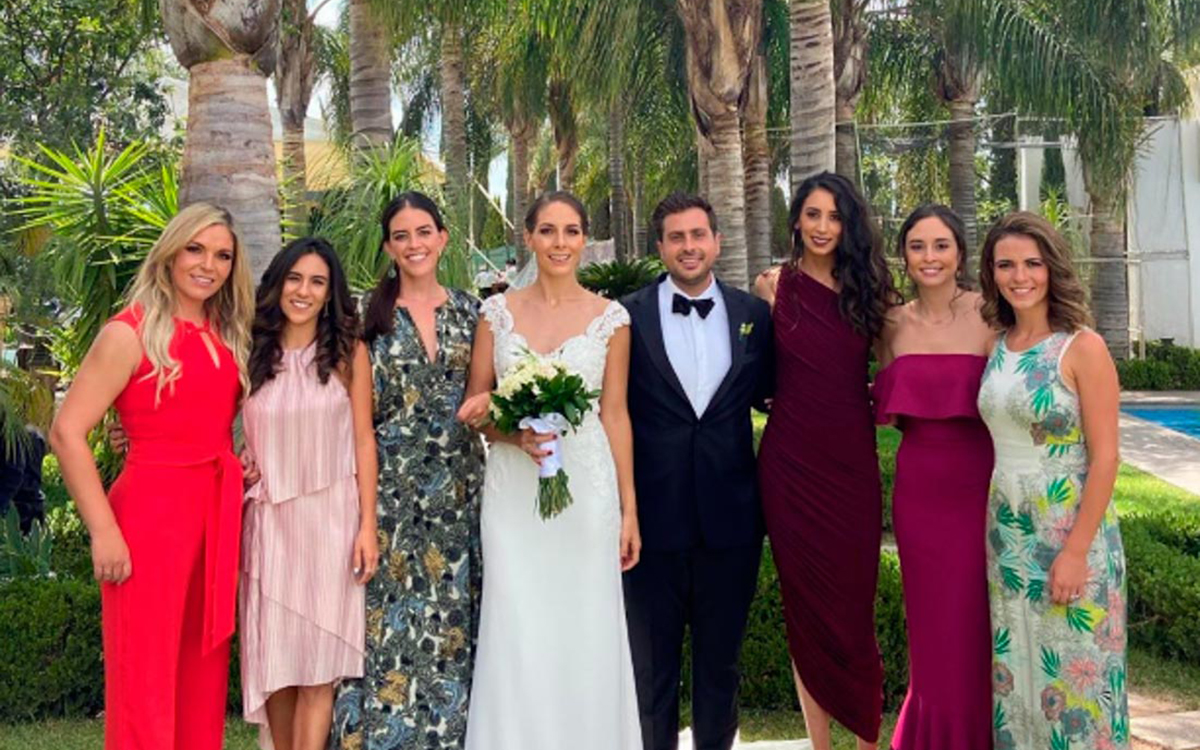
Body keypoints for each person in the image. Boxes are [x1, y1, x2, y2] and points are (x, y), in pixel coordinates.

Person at [48, 202, 253, 750]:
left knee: (202, 678)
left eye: (222, 255)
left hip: (212, 518)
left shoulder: (226, 333)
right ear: (169, 253)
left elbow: (206, 419)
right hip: (148, 519)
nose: (208, 265)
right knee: (145, 679)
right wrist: (103, 530)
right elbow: (67, 432)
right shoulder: (129, 332)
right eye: (195, 249)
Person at [456, 191, 642, 750]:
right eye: (548, 231)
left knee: (585, 624)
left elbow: (615, 414)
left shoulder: (612, 320)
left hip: (587, 490)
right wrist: (515, 433)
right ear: (529, 237)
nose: (560, 243)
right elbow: (474, 407)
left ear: (584, 239)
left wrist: (629, 510)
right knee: (517, 621)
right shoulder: (496, 314)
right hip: (513, 493)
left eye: (571, 231)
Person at [329, 192, 486, 750]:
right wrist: (366, 520)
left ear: (443, 238)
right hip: (391, 497)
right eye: (401, 236)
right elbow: (355, 424)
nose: (414, 244)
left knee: (452, 633)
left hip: (461, 497)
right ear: (389, 248)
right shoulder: (363, 318)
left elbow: (490, 397)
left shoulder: (474, 312)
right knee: (389, 635)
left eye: (424, 232)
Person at [619, 193, 773, 750]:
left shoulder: (754, 315)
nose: (689, 247)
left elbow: (774, 397)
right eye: (677, 237)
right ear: (660, 247)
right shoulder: (626, 316)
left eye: (698, 235)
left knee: (720, 669)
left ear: (717, 242)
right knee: (651, 673)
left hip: (731, 522)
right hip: (650, 523)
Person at [757, 171, 900, 750]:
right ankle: (819, 745)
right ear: (796, 220)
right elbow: (757, 370)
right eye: (813, 214)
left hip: (850, 465)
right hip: (789, 465)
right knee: (805, 612)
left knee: (854, 611)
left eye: (835, 217)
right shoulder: (772, 286)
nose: (822, 227)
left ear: (849, 225)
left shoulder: (870, 290)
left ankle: (867, 741)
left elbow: (894, 372)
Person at [977, 212, 1127, 750]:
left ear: (1052, 268)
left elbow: (1106, 458)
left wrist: (1076, 552)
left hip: (1069, 532)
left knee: (1075, 680)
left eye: (1032, 263)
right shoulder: (998, 344)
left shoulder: (1082, 347)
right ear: (991, 273)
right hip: (1008, 535)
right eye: (1006, 265)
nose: (1020, 276)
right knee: (1019, 676)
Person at [238, 237, 378, 750]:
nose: (304, 291)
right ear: (278, 284)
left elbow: (363, 440)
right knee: (276, 668)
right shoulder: (249, 350)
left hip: (332, 524)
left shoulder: (348, 353)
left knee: (319, 673)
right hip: (270, 524)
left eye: (317, 282)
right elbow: (207, 422)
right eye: (295, 278)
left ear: (330, 292)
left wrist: (367, 526)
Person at [873, 205, 994, 750]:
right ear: (904, 255)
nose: (929, 257)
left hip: (981, 484)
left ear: (960, 253)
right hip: (919, 491)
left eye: (941, 245)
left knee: (975, 618)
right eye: (917, 246)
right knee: (932, 625)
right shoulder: (890, 324)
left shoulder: (990, 315)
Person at [0, 425, 47, 532]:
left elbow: (13, 477)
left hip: (18, 511)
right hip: (33, 505)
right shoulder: (33, 434)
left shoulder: (11, 436)